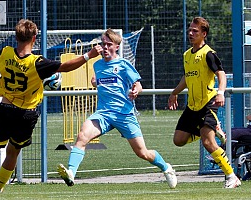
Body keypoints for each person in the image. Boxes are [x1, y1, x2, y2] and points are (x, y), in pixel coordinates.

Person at [0, 19, 103, 193]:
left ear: (16, 37)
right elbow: (66, 67)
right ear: (34, 38)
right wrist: (88, 55)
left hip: (5, 110)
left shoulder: (5, 53)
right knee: (13, 151)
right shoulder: (37, 62)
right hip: (26, 115)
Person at [57, 28, 177, 189]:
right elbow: (99, 81)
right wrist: (96, 82)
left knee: (142, 153)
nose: (104, 47)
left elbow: (138, 83)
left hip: (124, 114)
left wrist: (136, 90)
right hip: (103, 114)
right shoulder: (98, 65)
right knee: (82, 136)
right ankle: (71, 173)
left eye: (108, 44)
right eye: (103, 44)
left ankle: (166, 168)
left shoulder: (123, 64)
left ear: (116, 47)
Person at [168, 17, 241, 188]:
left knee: (208, 143)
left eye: (195, 31)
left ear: (204, 34)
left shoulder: (209, 54)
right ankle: (211, 129)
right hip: (193, 106)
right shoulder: (187, 55)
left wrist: (221, 93)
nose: (191, 33)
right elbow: (186, 78)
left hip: (208, 103)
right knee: (178, 140)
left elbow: (221, 74)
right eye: (190, 30)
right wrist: (174, 93)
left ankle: (232, 176)